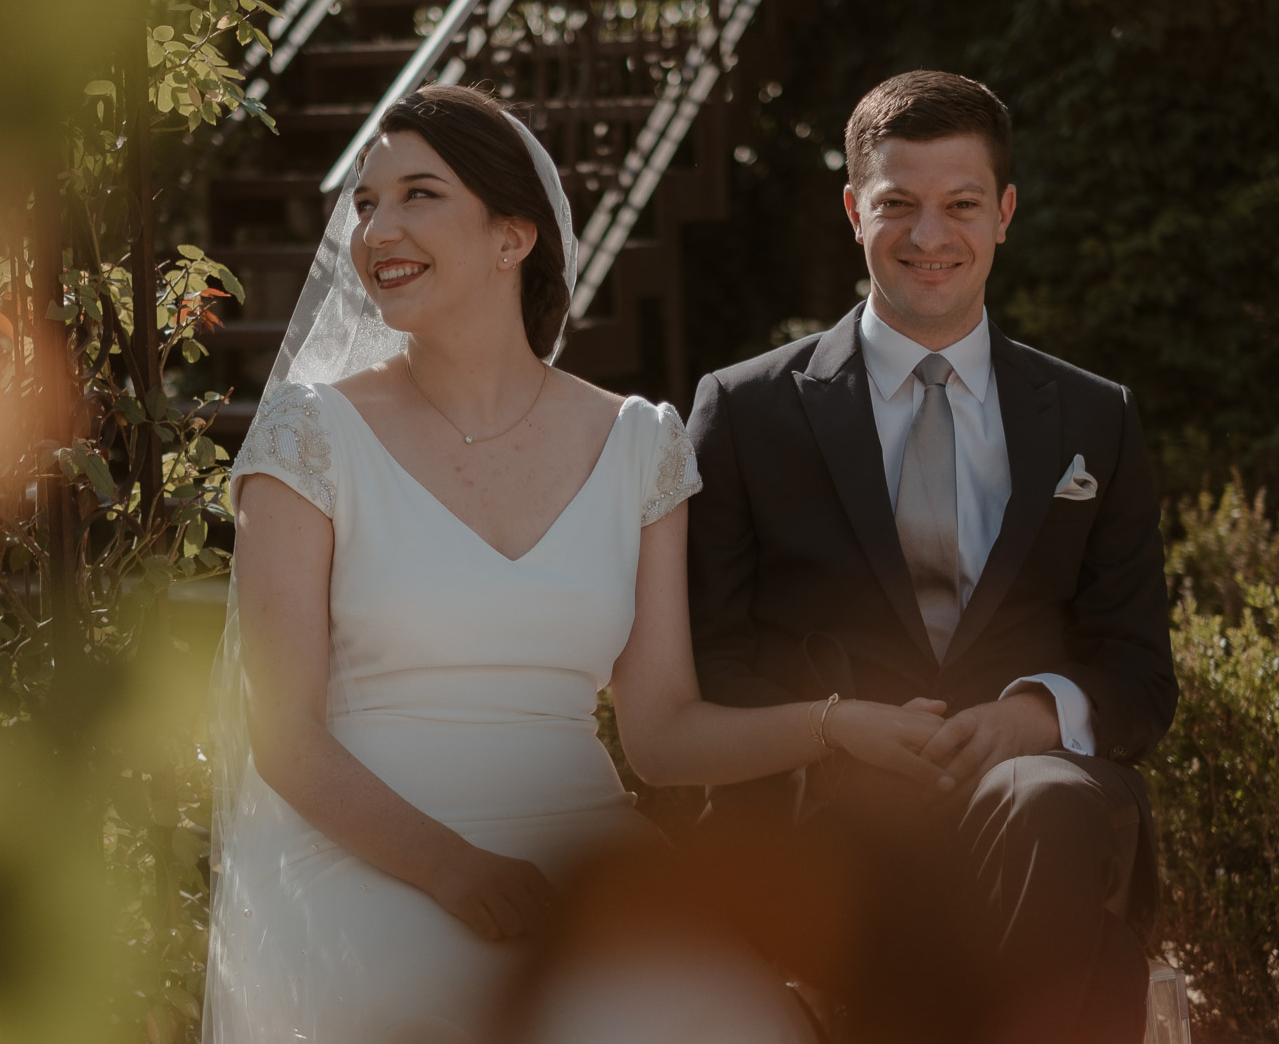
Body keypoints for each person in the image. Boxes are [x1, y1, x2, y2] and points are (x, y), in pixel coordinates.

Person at [202, 84, 950, 1044]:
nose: (377, 229)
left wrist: (839, 728)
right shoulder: (309, 436)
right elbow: (283, 738)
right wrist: (454, 871)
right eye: (364, 203)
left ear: (514, 237)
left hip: (581, 851)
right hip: (370, 856)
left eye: (418, 195)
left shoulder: (641, 443)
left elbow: (662, 734)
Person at [685, 70, 1178, 1043]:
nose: (926, 236)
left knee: (1049, 803)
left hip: (1033, 802)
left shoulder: (1093, 417)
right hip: (824, 803)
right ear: (850, 210)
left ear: (1002, 212)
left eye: (958, 204)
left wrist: (1031, 714)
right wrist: (837, 730)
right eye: (895, 205)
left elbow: (1136, 671)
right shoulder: (743, 413)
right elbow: (710, 662)